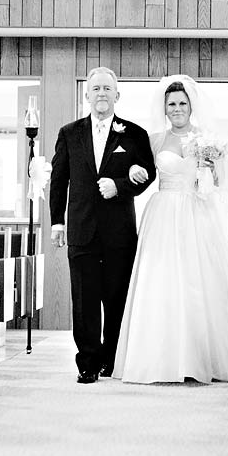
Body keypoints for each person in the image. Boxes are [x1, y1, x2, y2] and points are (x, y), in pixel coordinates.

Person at [112, 75, 228, 384]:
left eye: (183, 103)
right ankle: (162, 358)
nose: (178, 108)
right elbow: (138, 168)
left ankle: (204, 357)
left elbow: (221, 183)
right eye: (172, 104)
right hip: (164, 213)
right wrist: (132, 169)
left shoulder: (207, 138)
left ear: (191, 106)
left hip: (197, 212)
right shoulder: (154, 139)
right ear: (165, 108)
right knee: (163, 281)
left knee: (202, 280)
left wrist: (209, 172)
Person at [49, 67, 156, 384]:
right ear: (87, 95)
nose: (101, 94)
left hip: (119, 231)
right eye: (96, 88)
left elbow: (147, 173)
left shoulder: (134, 134)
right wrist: (57, 222)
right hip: (81, 229)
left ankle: (111, 358)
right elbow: (58, 181)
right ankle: (88, 363)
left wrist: (121, 186)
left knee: (115, 298)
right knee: (83, 300)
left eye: (108, 89)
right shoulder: (69, 133)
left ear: (117, 95)